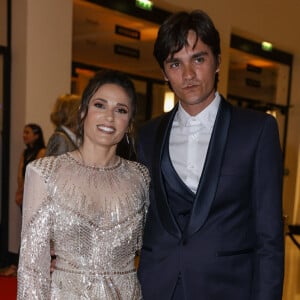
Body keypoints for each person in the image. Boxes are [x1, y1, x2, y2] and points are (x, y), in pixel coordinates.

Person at [136, 10, 284, 300]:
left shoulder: (257, 130)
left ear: (218, 61)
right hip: (157, 287)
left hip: (228, 288)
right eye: (175, 63)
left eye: (198, 59)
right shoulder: (147, 134)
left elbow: (270, 237)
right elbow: (136, 216)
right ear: (164, 73)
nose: (188, 75)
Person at [17, 70, 150, 299]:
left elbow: (150, 246)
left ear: (129, 122)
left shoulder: (140, 177)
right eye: (100, 105)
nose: (109, 117)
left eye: (121, 110)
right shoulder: (44, 173)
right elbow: (32, 269)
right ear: (82, 113)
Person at [0, 123, 46, 277]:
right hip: (25, 194)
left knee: (33, 230)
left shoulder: (42, 151)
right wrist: (19, 192)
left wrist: (25, 192)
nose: (24, 135)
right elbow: (21, 173)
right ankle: (19, 264)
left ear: (37, 135)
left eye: (27, 132)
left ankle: (27, 265)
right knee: (25, 229)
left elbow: (35, 176)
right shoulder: (25, 152)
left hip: (36, 195)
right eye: (23, 132)